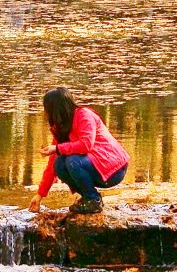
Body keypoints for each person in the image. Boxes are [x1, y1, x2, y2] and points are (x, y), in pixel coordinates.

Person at [33, 87, 128, 218]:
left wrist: (57, 148)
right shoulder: (61, 128)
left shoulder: (84, 115)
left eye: (47, 109)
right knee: (59, 163)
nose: (46, 114)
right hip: (93, 167)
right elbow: (52, 166)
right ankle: (89, 198)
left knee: (72, 161)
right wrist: (39, 195)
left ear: (56, 109)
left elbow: (85, 145)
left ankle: (93, 200)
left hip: (114, 170)